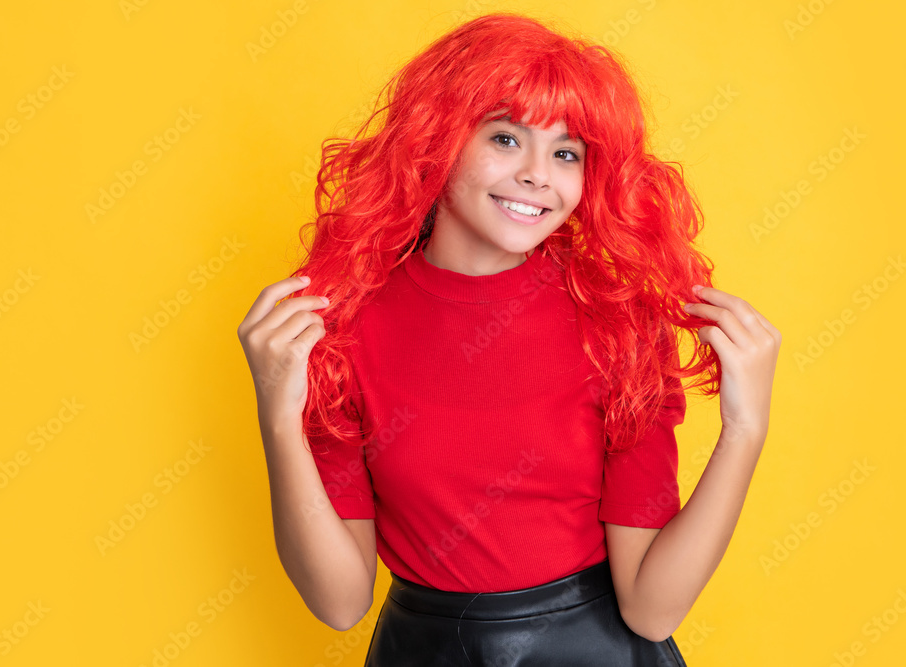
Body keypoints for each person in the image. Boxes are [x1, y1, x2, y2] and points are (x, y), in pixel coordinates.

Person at [238, 12, 781, 666]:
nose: (537, 174)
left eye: (566, 153)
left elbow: (652, 607)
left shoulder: (619, 325)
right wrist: (279, 415)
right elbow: (339, 601)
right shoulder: (344, 327)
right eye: (505, 137)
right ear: (434, 140)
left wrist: (745, 429)